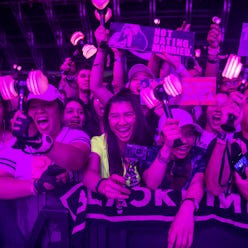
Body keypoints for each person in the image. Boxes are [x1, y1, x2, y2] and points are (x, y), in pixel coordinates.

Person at [0, 80, 91, 245]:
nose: (40, 110)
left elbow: (77, 159)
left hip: (70, 237)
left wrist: (39, 141)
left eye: (47, 105)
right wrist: (34, 187)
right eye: (33, 107)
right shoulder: (15, 143)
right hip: (27, 235)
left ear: (61, 111)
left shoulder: (74, 135)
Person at [143, 108, 206, 248]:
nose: (183, 141)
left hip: (188, 233)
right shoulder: (151, 152)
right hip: (153, 231)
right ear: (162, 137)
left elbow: (198, 181)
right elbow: (151, 184)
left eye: (188, 134)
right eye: (178, 134)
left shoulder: (199, 154)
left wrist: (188, 207)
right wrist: (167, 147)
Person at [83, 89, 154, 200]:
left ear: (137, 117)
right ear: (108, 120)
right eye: (115, 116)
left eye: (128, 115)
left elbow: (152, 183)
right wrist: (102, 185)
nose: (122, 122)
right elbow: (90, 173)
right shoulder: (99, 142)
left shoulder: (145, 141)